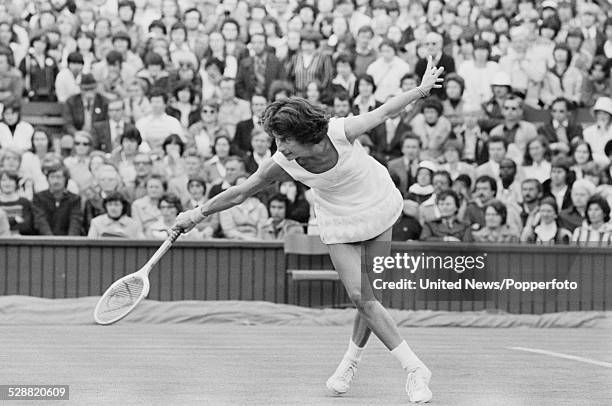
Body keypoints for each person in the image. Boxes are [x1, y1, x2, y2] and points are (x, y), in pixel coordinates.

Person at [173, 56, 444, 403]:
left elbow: (384, 112)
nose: (279, 148)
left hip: (377, 205)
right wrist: (197, 213)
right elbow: (241, 191)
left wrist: (420, 91)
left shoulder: (340, 131)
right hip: (337, 218)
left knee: (368, 297)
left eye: (284, 140)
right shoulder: (282, 162)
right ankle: (415, 369)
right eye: (275, 139)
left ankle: (350, 362)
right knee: (362, 296)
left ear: (305, 134)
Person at [32, 164, 82, 236]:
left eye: (59, 177)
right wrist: (52, 241)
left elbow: (75, 222)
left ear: (65, 179)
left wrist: (70, 242)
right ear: (47, 179)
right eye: (52, 177)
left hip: (68, 242)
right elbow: (41, 221)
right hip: (44, 242)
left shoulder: (74, 199)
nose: (55, 181)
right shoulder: (39, 198)